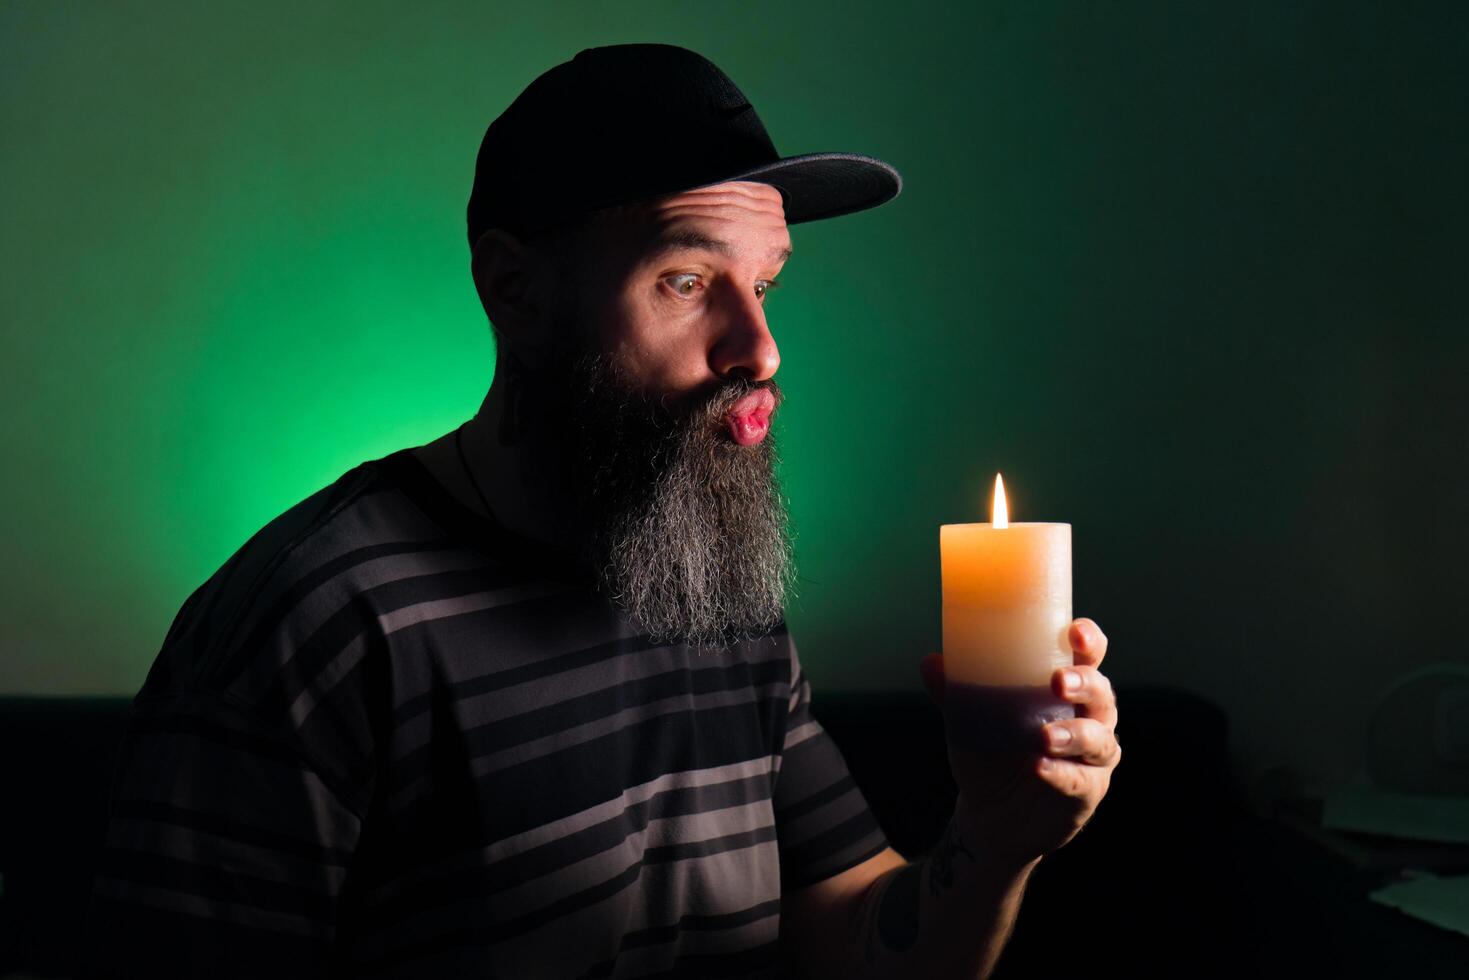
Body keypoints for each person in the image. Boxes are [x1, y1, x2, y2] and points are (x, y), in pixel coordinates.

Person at [80, 43, 1120, 978]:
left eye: (765, 284)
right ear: (514, 289)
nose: (758, 348)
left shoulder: (710, 579)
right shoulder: (317, 627)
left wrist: (993, 836)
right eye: (682, 279)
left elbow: (857, 934)